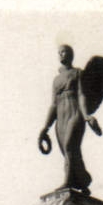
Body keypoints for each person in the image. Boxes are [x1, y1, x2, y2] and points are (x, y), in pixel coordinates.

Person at [37, 45, 94, 193]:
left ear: (71, 55)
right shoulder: (56, 80)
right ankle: (82, 182)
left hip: (75, 111)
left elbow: (82, 95)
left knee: (69, 145)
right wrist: (45, 128)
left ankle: (68, 181)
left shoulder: (77, 73)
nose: (61, 54)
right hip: (60, 116)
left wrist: (86, 116)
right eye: (59, 52)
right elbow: (53, 105)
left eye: (64, 52)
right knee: (69, 152)